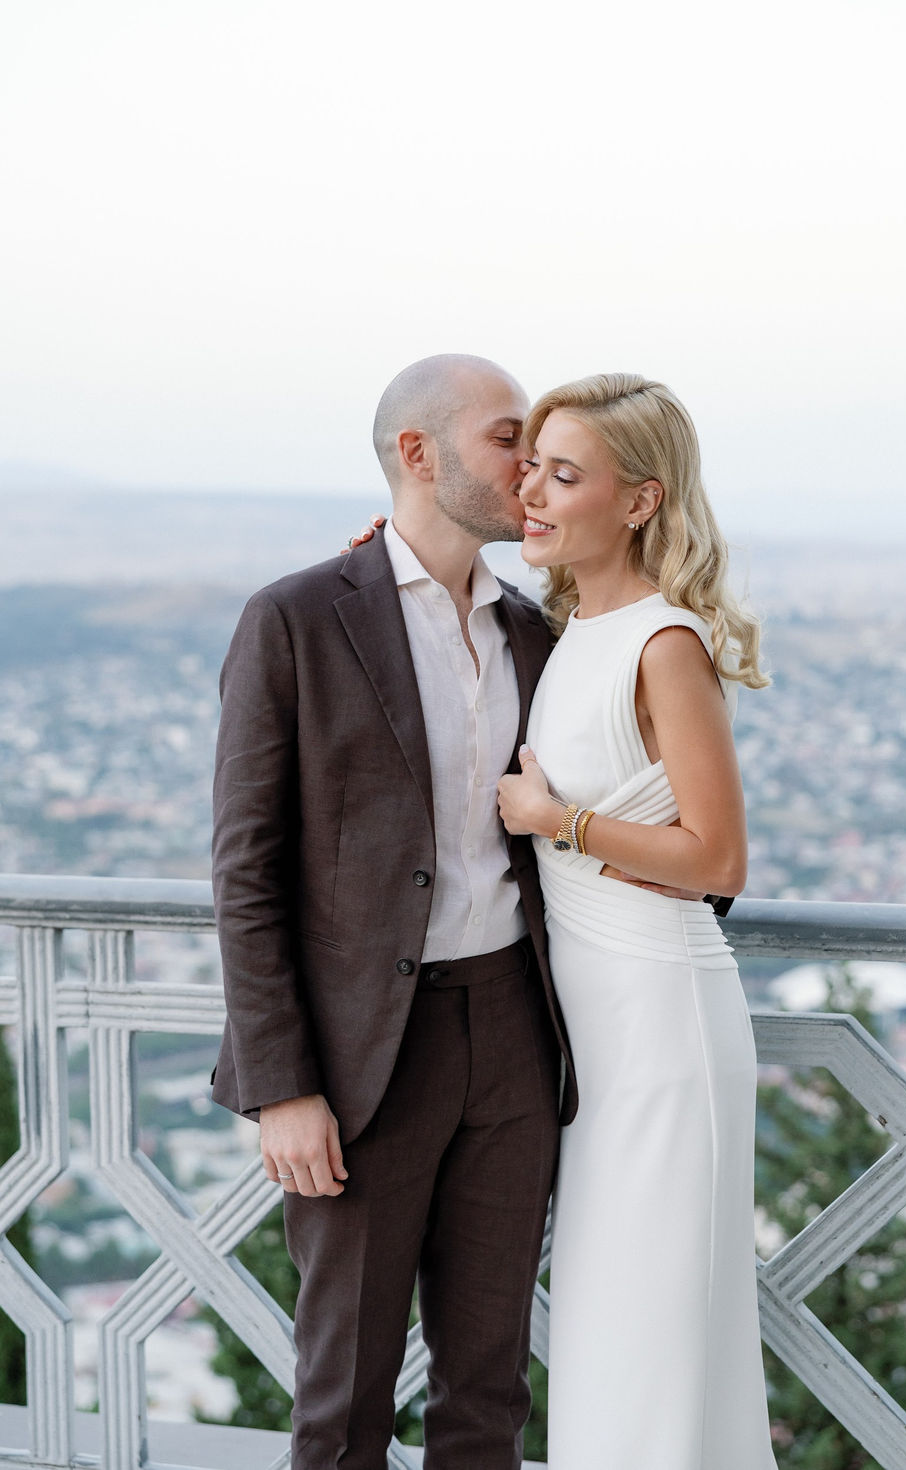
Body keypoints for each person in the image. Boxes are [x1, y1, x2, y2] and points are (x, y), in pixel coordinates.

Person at [210, 353, 577, 1470]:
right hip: (364, 1062)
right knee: (344, 1403)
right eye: (506, 438)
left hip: (513, 1038)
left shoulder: (531, 632)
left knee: (487, 1396)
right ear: (418, 454)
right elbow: (247, 867)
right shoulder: (296, 620)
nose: (529, 467)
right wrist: (283, 1087)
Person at [496, 373, 777, 1469]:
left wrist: (554, 819)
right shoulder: (568, 630)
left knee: (651, 1345)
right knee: (612, 1341)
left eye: (563, 475)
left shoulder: (663, 644)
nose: (531, 492)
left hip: (663, 1032)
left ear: (639, 501)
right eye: (529, 467)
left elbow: (717, 859)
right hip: (599, 1046)